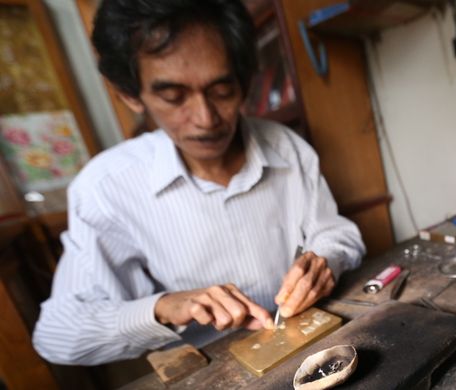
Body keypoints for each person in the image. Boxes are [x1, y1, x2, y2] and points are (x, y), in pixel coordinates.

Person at [32, 0, 364, 365]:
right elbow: (58, 336)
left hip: (308, 344)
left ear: (243, 80)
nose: (205, 119)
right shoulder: (106, 188)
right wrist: (164, 308)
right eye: (173, 97)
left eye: (222, 91)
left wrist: (325, 262)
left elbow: (337, 234)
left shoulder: (285, 147)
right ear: (130, 95)